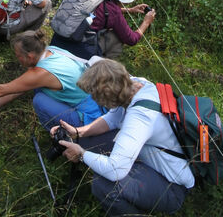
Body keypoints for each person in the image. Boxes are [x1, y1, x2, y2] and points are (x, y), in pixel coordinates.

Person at [51, 59, 194, 216]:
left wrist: (81, 154)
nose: (92, 99)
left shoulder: (141, 117)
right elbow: (112, 119)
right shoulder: (134, 85)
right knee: (85, 142)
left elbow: (115, 171)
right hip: (150, 160)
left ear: (107, 98)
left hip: (172, 186)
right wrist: (78, 133)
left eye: (94, 95)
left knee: (104, 185)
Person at [0, 30, 106, 130]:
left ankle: (60, 134)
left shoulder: (41, 73)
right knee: (39, 89)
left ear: (30, 56)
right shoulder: (52, 50)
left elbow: (1, 89)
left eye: (18, 55)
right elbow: (25, 84)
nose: (17, 59)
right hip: (100, 98)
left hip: (91, 117)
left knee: (39, 100)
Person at [50, 0, 155, 60]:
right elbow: (131, 39)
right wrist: (146, 22)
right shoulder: (114, 12)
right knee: (115, 37)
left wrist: (130, 10)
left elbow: (95, 12)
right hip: (77, 46)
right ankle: (102, 62)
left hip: (60, 36)